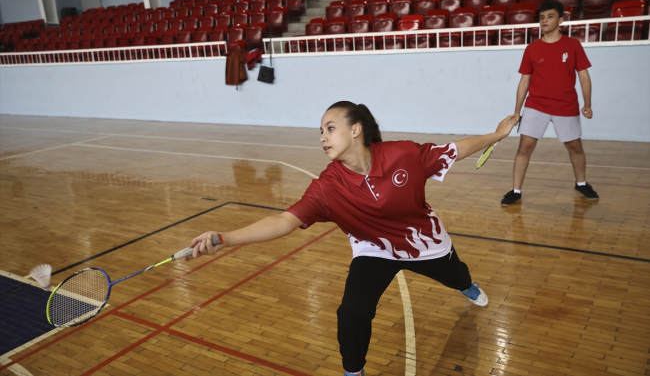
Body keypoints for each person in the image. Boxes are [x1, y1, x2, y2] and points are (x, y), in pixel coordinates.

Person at [186, 101, 519, 376]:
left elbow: (454, 150)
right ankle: (353, 370)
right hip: (374, 249)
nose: (322, 138)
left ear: (356, 130)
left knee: (457, 275)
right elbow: (284, 221)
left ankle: (466, 285)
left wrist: (497, 135)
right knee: (352, 313)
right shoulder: (327, 187)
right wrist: (224, 238)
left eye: (330, 128)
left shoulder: (402, 154)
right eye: (320, 132)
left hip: (424, 243)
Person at [501, 0, 599, 207]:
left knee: (575, 147)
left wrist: (587, 103)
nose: (545, 20)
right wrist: (517, 111)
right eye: (542, 17)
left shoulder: (573, 45)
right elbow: (524, 81)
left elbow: (584, 76)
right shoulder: (532, 49)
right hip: (536, 105)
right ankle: (516, 191)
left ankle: (581, 184)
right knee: (524, 147)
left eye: (550, 16)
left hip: (566, 106)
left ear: (561, 20)